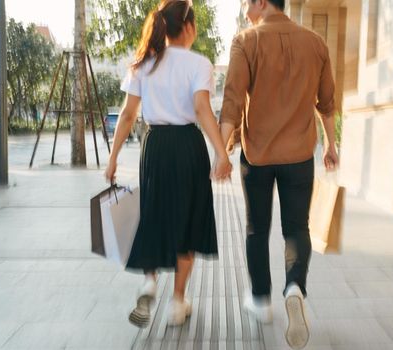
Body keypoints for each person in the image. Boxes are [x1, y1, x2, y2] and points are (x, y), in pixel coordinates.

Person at [104, 0, 232, 328]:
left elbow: (129, 114)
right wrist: (221, 153)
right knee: (188, 221)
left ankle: (149, 282)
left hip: (156, 146)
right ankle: (177, 302)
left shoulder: (144, 64)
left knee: (155, 215)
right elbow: (203, 110)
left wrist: (113, 156)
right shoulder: (199, 63)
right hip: (188, 147)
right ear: (188, 27)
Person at [219, 0, 339, 348]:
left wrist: (220, 152)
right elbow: (326, 102)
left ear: (259, 3)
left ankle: (260, 301)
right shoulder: (315, 42)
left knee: (257, 228)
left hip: (256, 157)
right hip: (300, 155)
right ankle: (294, 288)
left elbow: (232, 100)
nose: (243, 5)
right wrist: (332, 145)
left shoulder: (246, 41)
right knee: (297, 228)